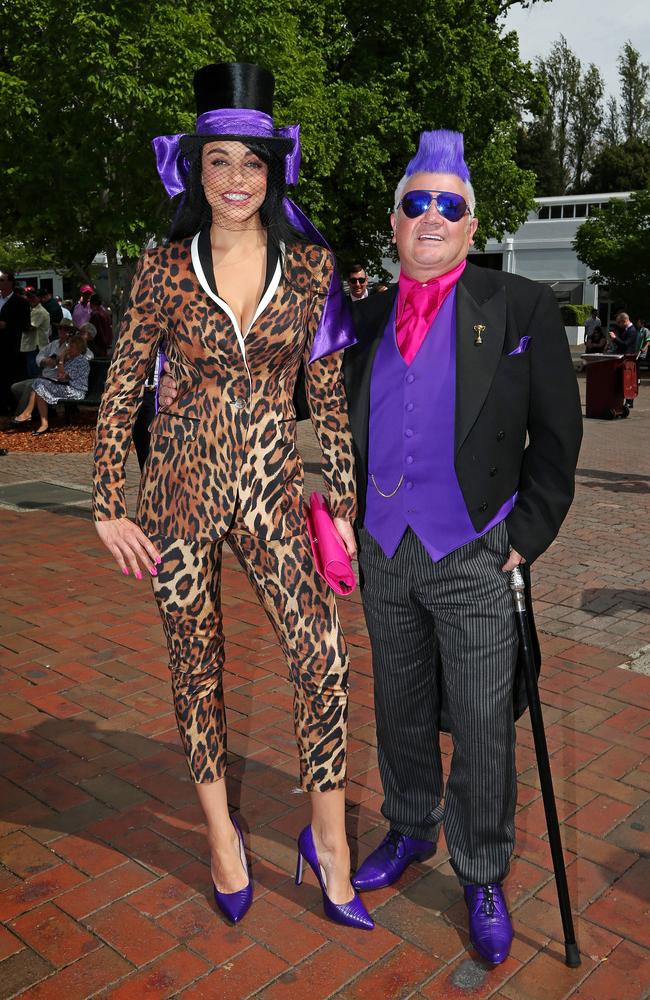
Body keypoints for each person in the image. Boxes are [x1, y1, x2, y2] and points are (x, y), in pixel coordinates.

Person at [92, 61, 372, 932]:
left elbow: (323, 396)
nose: (238, 181)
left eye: (252, 164)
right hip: (177, 487)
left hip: (276, 490)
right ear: (195, 169)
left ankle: (327, 846)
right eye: (221, 162)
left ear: (273, 170)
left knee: (323, 657)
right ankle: (222, 839)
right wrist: (108, 499)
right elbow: (126, 381)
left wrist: (345, 509)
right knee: (194, 663)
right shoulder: (162, 265)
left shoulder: (315, 266)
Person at [341, 131, 581, 965]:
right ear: (395, 222)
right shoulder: (362, 319)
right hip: (383, 551)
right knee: (399, 705)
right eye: (417, 203)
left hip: (477, 552)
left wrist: (525, 537)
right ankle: (409, 828)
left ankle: (481, 868)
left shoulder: (520, 307)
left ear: (473, 225)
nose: (432, 216)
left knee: (483, 724)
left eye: (450, 204)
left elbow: (557, 437)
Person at [11, 333, 89, 435]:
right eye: (69, 345)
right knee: (39, 387)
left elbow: (62, 377)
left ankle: (28, 414)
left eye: (72, 346)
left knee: (39, 385)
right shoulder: (71, 359)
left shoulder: (81, 361)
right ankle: (43, 424)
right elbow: (61, 377)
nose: (69, 348)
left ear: (79, 349)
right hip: (67, 387)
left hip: (75, 391)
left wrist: (61, 359)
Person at [11, 316, 76, 416]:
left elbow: (88, 355)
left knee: (31, 386)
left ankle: (20, 416)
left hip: (57, 381)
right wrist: (45, 361)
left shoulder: (73, 347)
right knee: (15, 387)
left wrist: (62, 361)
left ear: (71, 332)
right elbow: (39, 356)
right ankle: (38, 412)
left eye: (65, 329)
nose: (62, 331)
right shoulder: (53, 344)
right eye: (60, 328)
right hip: (45, 378)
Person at [0, 269, 31, 413]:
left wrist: (8, 325)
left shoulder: (21, 302)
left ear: (10, 282)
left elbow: (26, 325)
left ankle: (14, 406)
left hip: (13, 347)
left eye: (1, 280)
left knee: (12, 376)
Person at [22, 288, 51, 377]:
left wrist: (16, 323)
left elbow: (30, 327)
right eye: (29, 297)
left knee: (35, 376)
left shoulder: (40, 311)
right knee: (31, 374)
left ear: (39, 298)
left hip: (36, 348)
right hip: (31, 347)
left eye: (33, 297)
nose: (30, 299)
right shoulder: (31, 310)